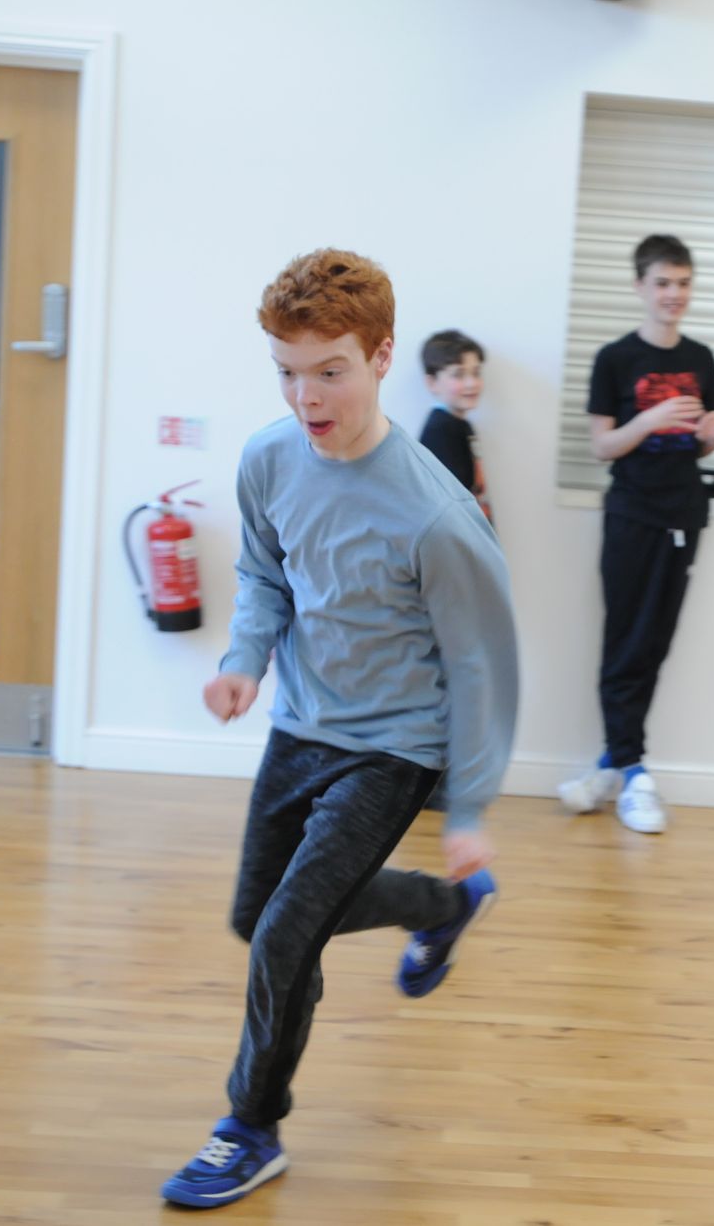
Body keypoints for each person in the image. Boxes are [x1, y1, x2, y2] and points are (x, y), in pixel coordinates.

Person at [161, 249, 518, 1210]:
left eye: (331, 370)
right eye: (287, 368)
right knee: (257, 916)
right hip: (300, 727)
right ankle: (445, 908)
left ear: (381, 356)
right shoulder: (269, 458)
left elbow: (484, 662)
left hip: (395, 749)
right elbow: (268, 574)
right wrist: (244, 660)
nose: (306, 393)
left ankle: (250, 1125)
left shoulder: (437, 513)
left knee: (284, 936)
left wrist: (469, 802)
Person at [557, 234, 714, 833]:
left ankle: (613, 765)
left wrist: (713, 432)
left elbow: (700, 440)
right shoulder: (614, 359)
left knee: (653, 645)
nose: (673, 294)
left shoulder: (703, 358)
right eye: (662, 283)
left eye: (683, 283)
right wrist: (652, 417)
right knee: (623, 642)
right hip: (631, 513)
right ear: (639, 287)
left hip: (685, 513)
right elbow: (603, 445)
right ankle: (634, 772)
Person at [417, 328, 492, 522]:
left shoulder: (460, 425)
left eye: (476, 373)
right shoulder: (440, 432)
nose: (471, 383)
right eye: (458, 374)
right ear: (432, 382)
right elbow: (449, 506)